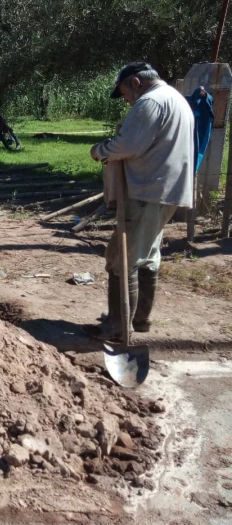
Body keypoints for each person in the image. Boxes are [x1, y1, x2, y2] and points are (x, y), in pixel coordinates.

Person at [84, 63, 194, 341]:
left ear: (136, 82)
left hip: (147, 190)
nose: (126, 100)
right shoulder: (175, 99)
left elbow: (129, 145)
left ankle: (118, 327)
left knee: (121, 258)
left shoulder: (150, 102)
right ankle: (139, 318)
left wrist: (100, 151)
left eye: (124, 93)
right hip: (166, 189)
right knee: (147, 255)